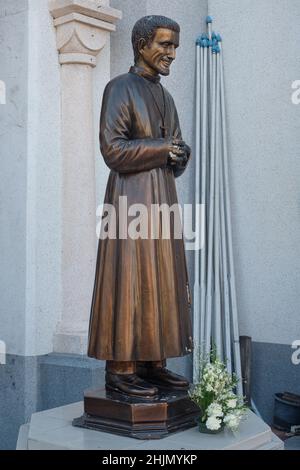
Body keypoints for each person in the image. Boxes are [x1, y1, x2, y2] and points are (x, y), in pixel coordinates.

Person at [88, 15, 193, 399]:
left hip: (162, 198)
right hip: (129, 201)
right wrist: (165, 149)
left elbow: (174, 144)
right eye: (165, 45)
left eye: (175, 46)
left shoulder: (166, 97)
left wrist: (180, 155)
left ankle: (153, 363)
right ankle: (121, 369)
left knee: (161, 278)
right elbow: (112, 149)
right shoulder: (120, 88)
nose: (171, 54)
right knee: (129, 279)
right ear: (142, 44)